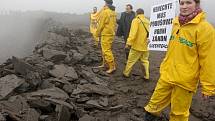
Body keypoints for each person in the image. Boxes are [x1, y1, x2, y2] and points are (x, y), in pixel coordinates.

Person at [144, 0, 215, 121]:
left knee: (179, 114)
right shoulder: (173, 23)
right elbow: (164, 41)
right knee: (153, 105)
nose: (184, 6)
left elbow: (208, 60)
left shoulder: (205, 29)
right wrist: (152, 40)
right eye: (182, 3)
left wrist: (208, 86)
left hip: (185, 81)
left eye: (188, 3)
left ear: (196, 4)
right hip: (166, 75)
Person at [123, 8, 150, 80]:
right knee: (145, 61)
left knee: (130, 61)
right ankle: (146, 76)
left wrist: (128, 44)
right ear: (143, 13)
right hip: (146, 46)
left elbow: (133, 34)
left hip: (136, 46)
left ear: (136, 13)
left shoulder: (136, 21)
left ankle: (126, 73)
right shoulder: (148, 21)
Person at [95, 0, 117, 74]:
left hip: (106, 34)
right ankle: (105, 64)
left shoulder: (106, 12)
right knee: (106, 49)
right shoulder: (113, 12)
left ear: (106, 3)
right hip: (111, 33)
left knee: (106, 50)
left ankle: (112, 67)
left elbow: (101, 24)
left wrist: (97, 33)